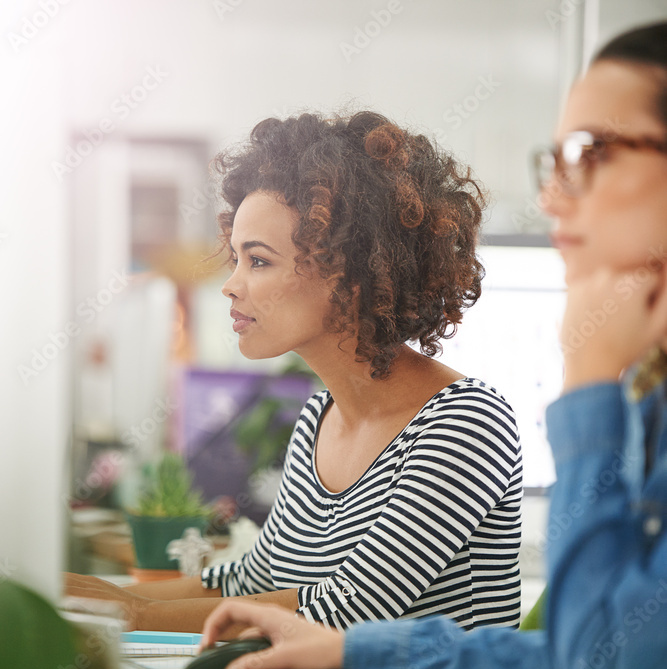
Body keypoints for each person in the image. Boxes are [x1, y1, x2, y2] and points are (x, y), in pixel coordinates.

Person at [199, 23, 667, 669]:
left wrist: (587, 379)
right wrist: (349, 649)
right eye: (556, 159)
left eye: (590, 154)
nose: (551, 197)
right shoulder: (649, 409)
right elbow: (561, 656)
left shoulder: (528, 409)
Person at [66, 112, 524, 638]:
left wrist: (134, 614)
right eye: (236, 258)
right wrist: (92, 596)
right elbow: (250, 579)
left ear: (348, 273)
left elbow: (349, 610)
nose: (230, 286)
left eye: (257, 261)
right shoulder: (318, 417)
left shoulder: (468, 423)